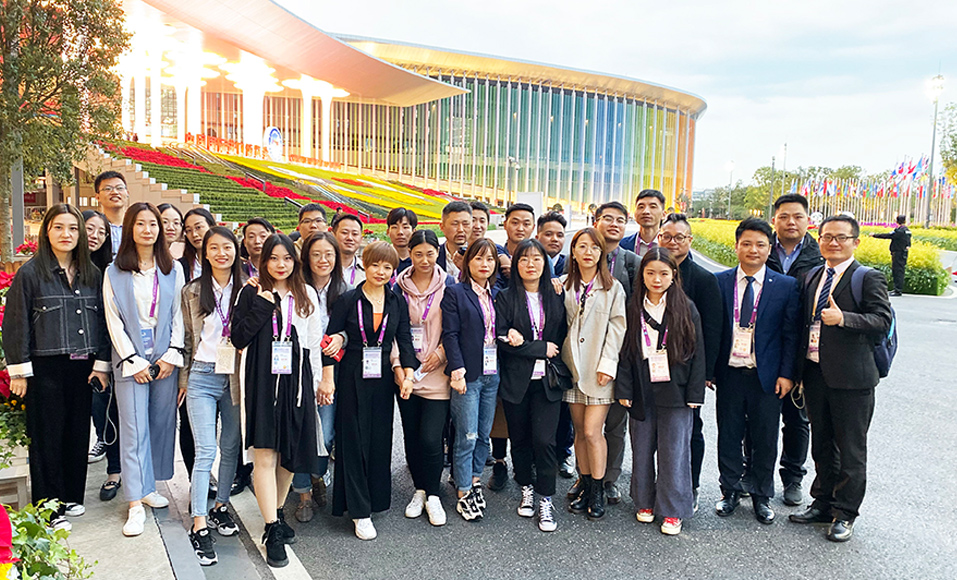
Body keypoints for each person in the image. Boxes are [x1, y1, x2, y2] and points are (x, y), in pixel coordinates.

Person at [3, 204, 112, 531]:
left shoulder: (92, 274)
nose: (67, 234)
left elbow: (103, 322)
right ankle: (49, 507)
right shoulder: (30, 273)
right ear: (46, 232)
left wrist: (102, 365)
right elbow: (16, 323)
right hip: (45, 367)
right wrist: (19, 371)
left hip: (83, 367)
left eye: (73, 228)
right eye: (59, 228)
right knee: (47, 437)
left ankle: (72, 496)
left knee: (77, 432)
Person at [789, 215, 892, 542]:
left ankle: (845, 513)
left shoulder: (867, 278)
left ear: (855, 242)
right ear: (818, 240)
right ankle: (822, 503)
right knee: (822, 444)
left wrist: (843, 318)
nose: (833, 243)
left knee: (850, 450)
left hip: (853, 379)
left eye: (841, 237)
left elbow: (882, 320)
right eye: (827, 237)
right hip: (815, 373)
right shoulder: (812, 276)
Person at [229, 234, 322, 567]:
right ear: (262, 260)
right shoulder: (250, 292)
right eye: (273, 258)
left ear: (295, 261)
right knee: (265, 454)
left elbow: (312, 344)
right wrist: (263, 304)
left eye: (287, 258)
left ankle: (277, 513)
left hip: (296, 384)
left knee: (288, 456)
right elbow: (238, 337)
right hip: (261, 382)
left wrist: (314, 386)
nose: (280, 265)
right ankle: (271, 528)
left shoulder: (306, 293)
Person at [319, 241, 417, 541]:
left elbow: (404, 339)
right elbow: (329, 341)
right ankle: (358, 511)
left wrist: (408, 374)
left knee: (379, 440)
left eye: (387, 267)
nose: (381, 271)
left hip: (383, 379)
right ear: (365, 264)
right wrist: (328, 378)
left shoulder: (396, 301)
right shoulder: (348, 299)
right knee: (352, 441)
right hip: (351, 375)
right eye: (375, 265)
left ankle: (374, 500)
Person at [102, 202, 186, 537]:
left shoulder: (173, 269)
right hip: (131, 360)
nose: (148, 230)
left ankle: (149, 486)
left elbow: (179, 314)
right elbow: (113, 321)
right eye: (140, 224)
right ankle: (135, 502)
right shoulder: (114, 271)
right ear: (129, 229)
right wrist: (131, 360)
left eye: (153, 224)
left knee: (160, 423)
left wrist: (172, 354)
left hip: (165, 359)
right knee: (134, 428)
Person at [713, 217, 800, 525]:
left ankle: (762, 495)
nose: (753, 250)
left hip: (767, 378)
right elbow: (713, 330)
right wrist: (709, 371)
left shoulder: (786, 286)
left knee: (765, 438)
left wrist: (787, 374)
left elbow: (790, 335)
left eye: (760, 244)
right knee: (729, 435)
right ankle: (730, 490)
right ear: (736, 246)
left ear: (769, 248)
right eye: (746, 244)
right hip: (729, 374)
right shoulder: (720, 282)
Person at [616, 248, 706, 535]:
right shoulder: (633, 306)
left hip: (676, 387)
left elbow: (698, 353)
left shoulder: (686, 307)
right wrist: (624, 387)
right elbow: (625, 351)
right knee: (642, 446)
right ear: (642, 275)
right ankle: (644, 501)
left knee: (673, 451)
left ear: (673, 275)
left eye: (664, 273)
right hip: (641, 384)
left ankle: (672, 510)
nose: (657, 279)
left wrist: (695, 394)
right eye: (650, 273)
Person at [179, 226, 245, 566]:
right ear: (204, 253)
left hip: (235, 377)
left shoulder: (248, 288)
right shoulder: (192, 291)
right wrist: (183, 379)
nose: (222, 253)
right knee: (206, 449)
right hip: (202, 376)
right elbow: (186, 338)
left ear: (236, 250)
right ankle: (199, 522)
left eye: (227, 247)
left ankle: (221, 506)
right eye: (214, 248)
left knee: (231, 446)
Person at [495, 239, 569, 532]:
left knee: (545, 441)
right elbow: (502, 339)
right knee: (520, 439)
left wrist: (528, 344)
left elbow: (562, 337)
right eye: (524, 259)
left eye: (537, 258)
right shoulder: (505, 297)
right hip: (517, 381)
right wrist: (539, 348)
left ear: (544, 263)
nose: (530, 264)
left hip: (549, 381)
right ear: (515, 265)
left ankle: (546, 498)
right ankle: (525, 487)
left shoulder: (556, 295)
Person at [657, 213, 722, 512]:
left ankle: (690, 486)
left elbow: (713, 329)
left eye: (679, 237)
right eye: (666, 237)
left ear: (690, 240)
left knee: (690, 430)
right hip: (653, 366)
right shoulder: (650, 272)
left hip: (687, 371)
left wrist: (706, 373)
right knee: (657, 429)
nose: (672, 242)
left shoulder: (705, 280)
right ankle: (663, 484)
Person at [560, 228, 626, 520]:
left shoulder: (613, 288)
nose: (588, 252)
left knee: (592, 431)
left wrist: (608, 364)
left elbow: (618, 327)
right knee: (579, 431)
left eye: (594, 247)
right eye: (582, 246)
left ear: (602, 253)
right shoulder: (563, 284)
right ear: (573, 251)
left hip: (599, 371)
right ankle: (585, 485)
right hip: (572, 368)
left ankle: (598, 489)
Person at [763, 194, 824, 506]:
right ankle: (754, 475)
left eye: (797, 217)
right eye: (784, 216)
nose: (791, 222)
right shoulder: (762, 248)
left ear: (807, 220)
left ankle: (793, 477)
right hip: (762, 346)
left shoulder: (819, 255)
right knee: (758, 417)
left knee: (797, 419)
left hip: (801, 348)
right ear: (774, 219)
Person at [392, 230, 455, 527]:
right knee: (412, 436)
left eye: (430, 253)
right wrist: (399, 367)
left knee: (431, 438)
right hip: (406, 373)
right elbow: (392, 331)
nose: (425, 260)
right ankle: (420, 490)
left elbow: (455, 327)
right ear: (410, 254)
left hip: (437, 373)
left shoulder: (449, 286)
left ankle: (434, 494)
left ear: (437, 254)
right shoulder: (397, 287)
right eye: (418, 254)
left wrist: (441, 354)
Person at [291, 231, 350, 523]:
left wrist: (342, 336)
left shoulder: (345, 289)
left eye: (328, 254)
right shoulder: (295, 287)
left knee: (324, 434)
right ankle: (303, 493)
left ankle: (317, 473)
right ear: (306, 258)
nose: (323, 260)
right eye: (316, 254)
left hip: (331, 369)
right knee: (300, 431)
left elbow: (357, 325)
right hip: (299, 368)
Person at [442, 239, 501, 521]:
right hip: (467, 374)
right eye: (478, 258)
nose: (484, 264)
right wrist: (457, 369)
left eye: (490, 259)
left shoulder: (498, 293)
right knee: (466, 435)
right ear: (468, 263)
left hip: (493, 373)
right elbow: (450, 334)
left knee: (483, 433)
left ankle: (475, 479)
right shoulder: (456, 292)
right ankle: (463, 490)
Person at [589, 201, 641, 505]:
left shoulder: (634, 263)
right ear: (595, 221)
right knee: (586, 424)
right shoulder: (582, 257)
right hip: (585, 353)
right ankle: (587, 476)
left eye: (620, 220)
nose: (614, 224)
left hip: (621, 356)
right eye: (607, 218)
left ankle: (609, 478)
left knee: (615, 423)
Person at [83, 210, 123, 502]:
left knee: (106, 410)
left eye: (101, 231)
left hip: (102, 355)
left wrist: (103, 361)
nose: (94, 236)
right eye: (89, 229)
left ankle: (115, 470)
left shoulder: (107, 270)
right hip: (69, 355)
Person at [495, 203, 535, 289]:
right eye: (515, 223)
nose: (520, 229)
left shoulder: (542, 259)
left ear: (533, 227)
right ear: (505, 224)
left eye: (526, 224)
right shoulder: (493, 256)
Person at [870, 214, 911, 296]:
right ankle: (897, 289)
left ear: (897, 221)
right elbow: (908, 242)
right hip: (903, 253)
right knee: (900, 271)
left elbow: (888, 235)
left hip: (898, 253)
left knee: (897, 271)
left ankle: (897, 290)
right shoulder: (907, 230)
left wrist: (875, 235)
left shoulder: (899, 231)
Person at [620, 189, 665, 255]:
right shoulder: (622, 245)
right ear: (635, 214)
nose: (646, 211)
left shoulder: (670, 246)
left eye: (653, 207)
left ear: (663, 214)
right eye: (641, 207)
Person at [94, 171, 128, 254]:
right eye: (108, 189)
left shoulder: (136, 225)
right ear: (97, 197)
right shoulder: (93, 228)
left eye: (120, 188)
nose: (115, 192)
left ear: (127, 193)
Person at [437, 201, 472, 280]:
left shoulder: (480, 257)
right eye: (455, 224)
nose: (460, 229)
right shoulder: (434, 256)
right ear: (442, 226)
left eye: (465, 224)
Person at [181, 208, 217, 283]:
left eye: (198, 227)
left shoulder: (225, 260)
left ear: (211, 226)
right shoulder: (182, 265)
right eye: (188, 230)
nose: (194, 234)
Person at [332, 213, 365, 285]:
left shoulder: (367, 272)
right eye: (344, 232)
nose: (349, 238)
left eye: (355, 234)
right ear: (333, 235)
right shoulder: (322, 266)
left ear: (361, 239)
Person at [386, 207, 418, 275]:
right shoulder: (382, 257)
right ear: (388, 232)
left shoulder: (419, 260)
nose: (400, 232)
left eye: (405, 227)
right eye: (395, 227)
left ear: (414, 231)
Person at [537, 212, 567, 277]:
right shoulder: (530, 265)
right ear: (537, 238)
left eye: (560, 235)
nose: (555, 239)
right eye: (548, 234)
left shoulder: (571, 267)